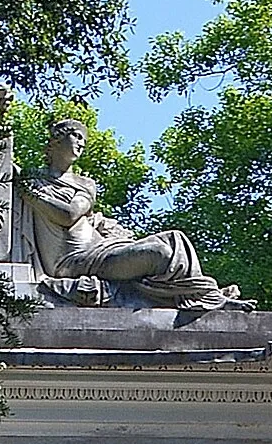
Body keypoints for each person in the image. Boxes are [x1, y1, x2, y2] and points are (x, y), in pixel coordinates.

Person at [20, 119, 232, 307]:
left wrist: (34, 196)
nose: (81, 143)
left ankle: (204, 296)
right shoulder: (31, 179)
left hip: (103, 249)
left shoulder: (84, 184)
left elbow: (70, 214)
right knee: (160, 253)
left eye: (83, 139)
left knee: (175, 238)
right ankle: (203, 298)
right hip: (76, 261)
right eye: (75, 135)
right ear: (57, 140)